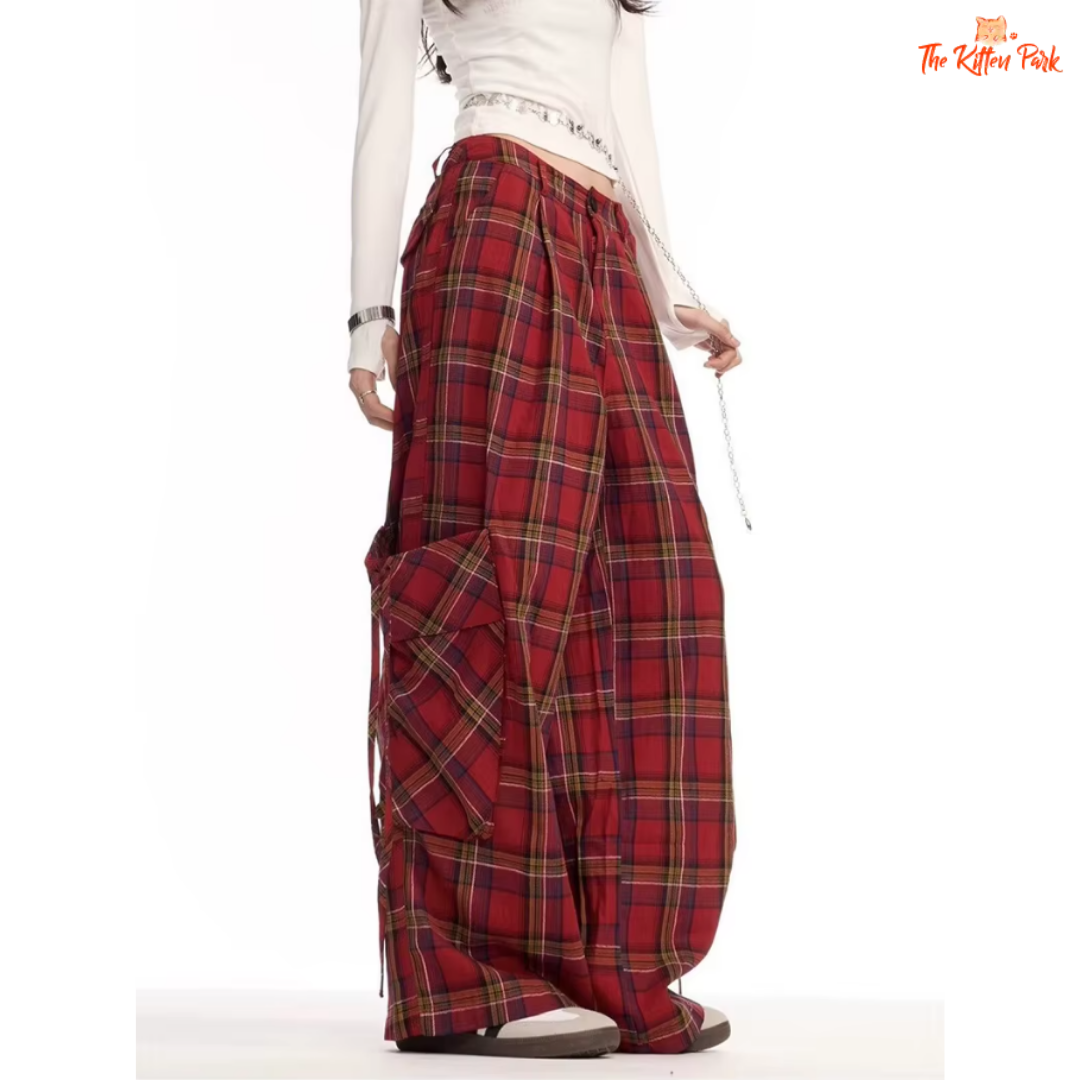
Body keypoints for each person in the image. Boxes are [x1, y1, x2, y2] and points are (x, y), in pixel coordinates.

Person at [348, 0, 740, 1058]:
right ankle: (466, 975)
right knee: (496, 587)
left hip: (603, 240)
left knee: (652, 585)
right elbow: (383, 105)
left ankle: (604, 958)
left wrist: (669, 291)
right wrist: (367, 318)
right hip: (493, 217)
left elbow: (625, 103)